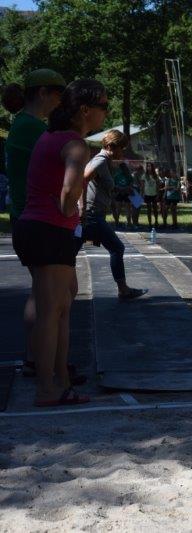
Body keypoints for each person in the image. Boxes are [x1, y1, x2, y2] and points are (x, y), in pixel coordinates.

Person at [11, 79, 108, 406]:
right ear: (85, 110)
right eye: (103, 106)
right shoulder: (77, 145)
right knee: (52, 312)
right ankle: (46, 389)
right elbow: (69, 190)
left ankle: (60, 381)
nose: (105, 113)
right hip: (49, 230)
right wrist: (68, 209)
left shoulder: (49, 136)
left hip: (36, 228)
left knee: (61, 307)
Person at [3, 69, 67, 381]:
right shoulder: (31, 128)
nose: (60, 102)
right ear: (42, 93)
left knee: (41, 291)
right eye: (58, 95)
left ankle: (35, 358)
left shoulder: (25, 125)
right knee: (53, 295)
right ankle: (47, 365)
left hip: (24, 214)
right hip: (36, 216)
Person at [83, 130, 147, 300]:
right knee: (117, 248)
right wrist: (81, 209)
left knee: (69, 252)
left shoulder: (105, 162)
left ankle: (55, 289)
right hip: (91, 215)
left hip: (94, 214)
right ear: (111, 146)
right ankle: (123, 290)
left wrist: (120, 189)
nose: (122, 152)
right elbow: (82, 180)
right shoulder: (100, 160)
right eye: (121, 148)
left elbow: (100, 185)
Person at [111, 161, 133, 229]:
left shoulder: (129, 176)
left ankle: (127, 223)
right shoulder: (117, 175)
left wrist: (122, 189)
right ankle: (118, 223)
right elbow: (114, 185)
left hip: (125, 193)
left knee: (125, 209)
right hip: (120, 193)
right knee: (121, 209)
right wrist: (122, 189)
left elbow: (130, 185)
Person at [142, 163, 159, 227]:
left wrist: (157, 194)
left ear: (152, 167)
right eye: (148, 166)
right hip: (147, 194)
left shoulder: (155, 176)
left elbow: (157, 185)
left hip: (154, 194)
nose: (149, 167)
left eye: (150, 166)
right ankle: (149, 223)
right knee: (149, 209)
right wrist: (143, 194)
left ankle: (156, 221)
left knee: (155, 209)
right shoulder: (144, 175)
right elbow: (142, 186)